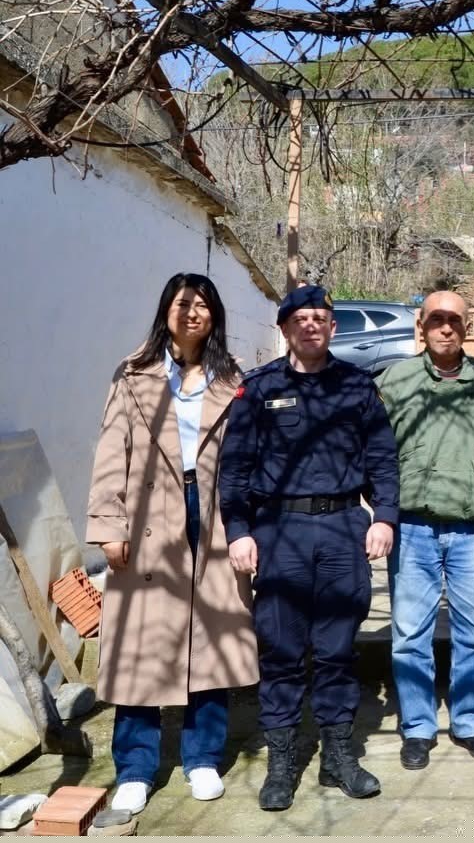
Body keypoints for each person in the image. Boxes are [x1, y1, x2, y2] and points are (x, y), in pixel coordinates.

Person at [218, 284, 399, 811]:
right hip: (279, 532)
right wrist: (239, 531)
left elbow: (382, 458)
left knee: (338, 650)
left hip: (343, 527)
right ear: (284, 328)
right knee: (281, 651)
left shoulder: (358, 388)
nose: (311, 325)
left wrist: (383, 516)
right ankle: (282, 760)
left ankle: (339, 756)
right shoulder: (257, 389)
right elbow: (235, 469)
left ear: (333, 327)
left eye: (321, 317)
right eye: (301, 318)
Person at [86, 274, 258, 816]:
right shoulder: (133, 373)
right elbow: (112, 448)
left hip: (211, 513)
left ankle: (202, 756)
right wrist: (108, 525)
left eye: (203, 304)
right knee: (143, 638)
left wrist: (249, 526)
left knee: (211, 635)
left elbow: (248, 456)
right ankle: (136, 766)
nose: (192, 312)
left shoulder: (230, 377)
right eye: (183, 303)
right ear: (166, 311)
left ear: (214, 315)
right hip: (147, 517)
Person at [377, 291, 474, 771]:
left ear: (468, 327)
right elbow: (375, 452)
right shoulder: (395, 380)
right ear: (421, 324)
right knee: (411, 633)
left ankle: (471, 721)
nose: (446, 328)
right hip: (412, 528)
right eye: (437, 319)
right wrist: (384, 512)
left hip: (473, 529)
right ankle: (417, 727)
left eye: (455, 320)